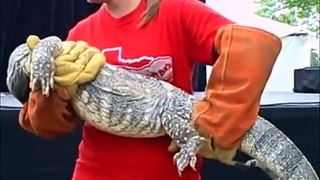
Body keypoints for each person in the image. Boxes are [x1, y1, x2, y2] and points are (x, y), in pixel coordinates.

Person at [9, 0, 282, 179]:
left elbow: (250, 46)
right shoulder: (80, 33)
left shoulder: (177, 10)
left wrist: (221, 116)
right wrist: (47, 98)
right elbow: (52, 124)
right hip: (95, 172)